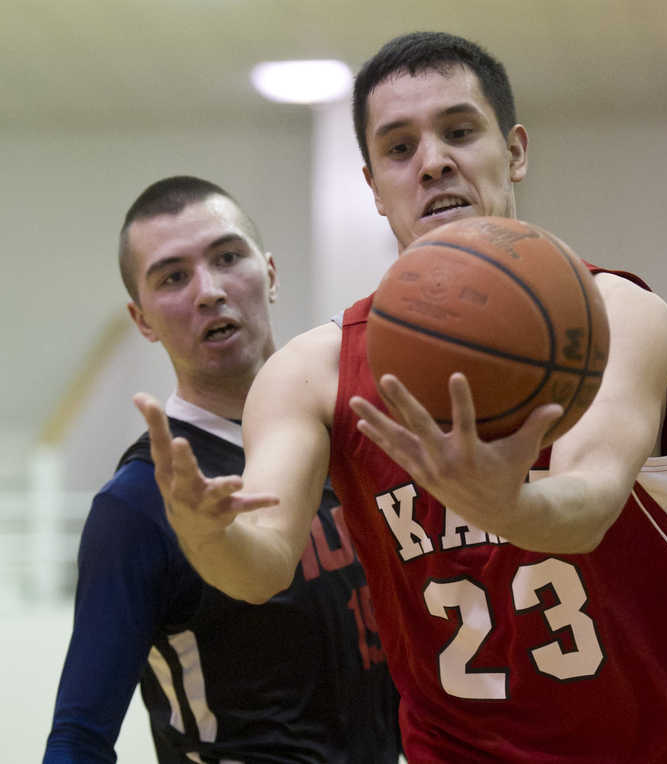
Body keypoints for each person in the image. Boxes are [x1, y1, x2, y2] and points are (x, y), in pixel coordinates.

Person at [133, 32, 667, 763]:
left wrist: (508, 505)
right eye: (399, 149)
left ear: (513, 149)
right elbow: (261, 566)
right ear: (372, 184)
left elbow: (590, 500)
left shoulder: (620, 314)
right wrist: (208, 537)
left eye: (459, 131)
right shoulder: (312, 371)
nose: (433, 162)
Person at [44, 176, 400, 763]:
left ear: (271, 273)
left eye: (227, 257)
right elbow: (79, 736)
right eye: (173, 277)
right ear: (143, 320)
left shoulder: (349, 445)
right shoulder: (136, 503)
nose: (208, 291)